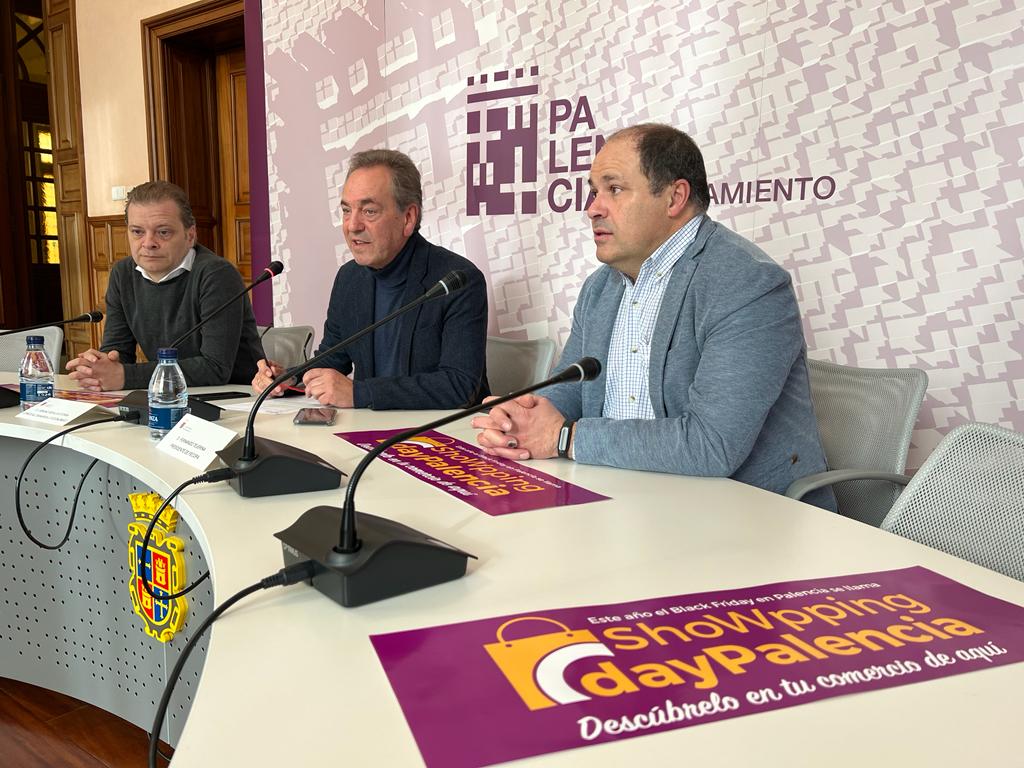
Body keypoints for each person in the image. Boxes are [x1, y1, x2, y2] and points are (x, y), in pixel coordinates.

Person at [472, 123, 836, 510]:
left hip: (740, 512)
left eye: (614, 189)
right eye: (594, 191)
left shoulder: (746, 284)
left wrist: (564, 438)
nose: (592, 208)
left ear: (674, 197)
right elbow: (572, 389)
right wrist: (518, 422)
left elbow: (711, 445)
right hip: (622, 496)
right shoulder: (600, 287)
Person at [252, 149, 489, 409]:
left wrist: (360, 393)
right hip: (368, 428)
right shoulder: (349, 278)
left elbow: (460, 386)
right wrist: (287, 379)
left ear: (408, 218)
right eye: (346, 210)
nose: (352, 225)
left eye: (369, 211)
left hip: (441, 430)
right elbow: (332, 359)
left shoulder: (457, 280)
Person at [66, 181, 264, 391]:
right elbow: (118, 353)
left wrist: (125, 376)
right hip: (167, 392)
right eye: (137, 232)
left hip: (237, 396)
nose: (148, 243)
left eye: (163, 232)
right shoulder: (122, 274)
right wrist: (99, 368)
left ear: (190, 236)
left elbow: (215, 368)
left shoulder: (216, 274)